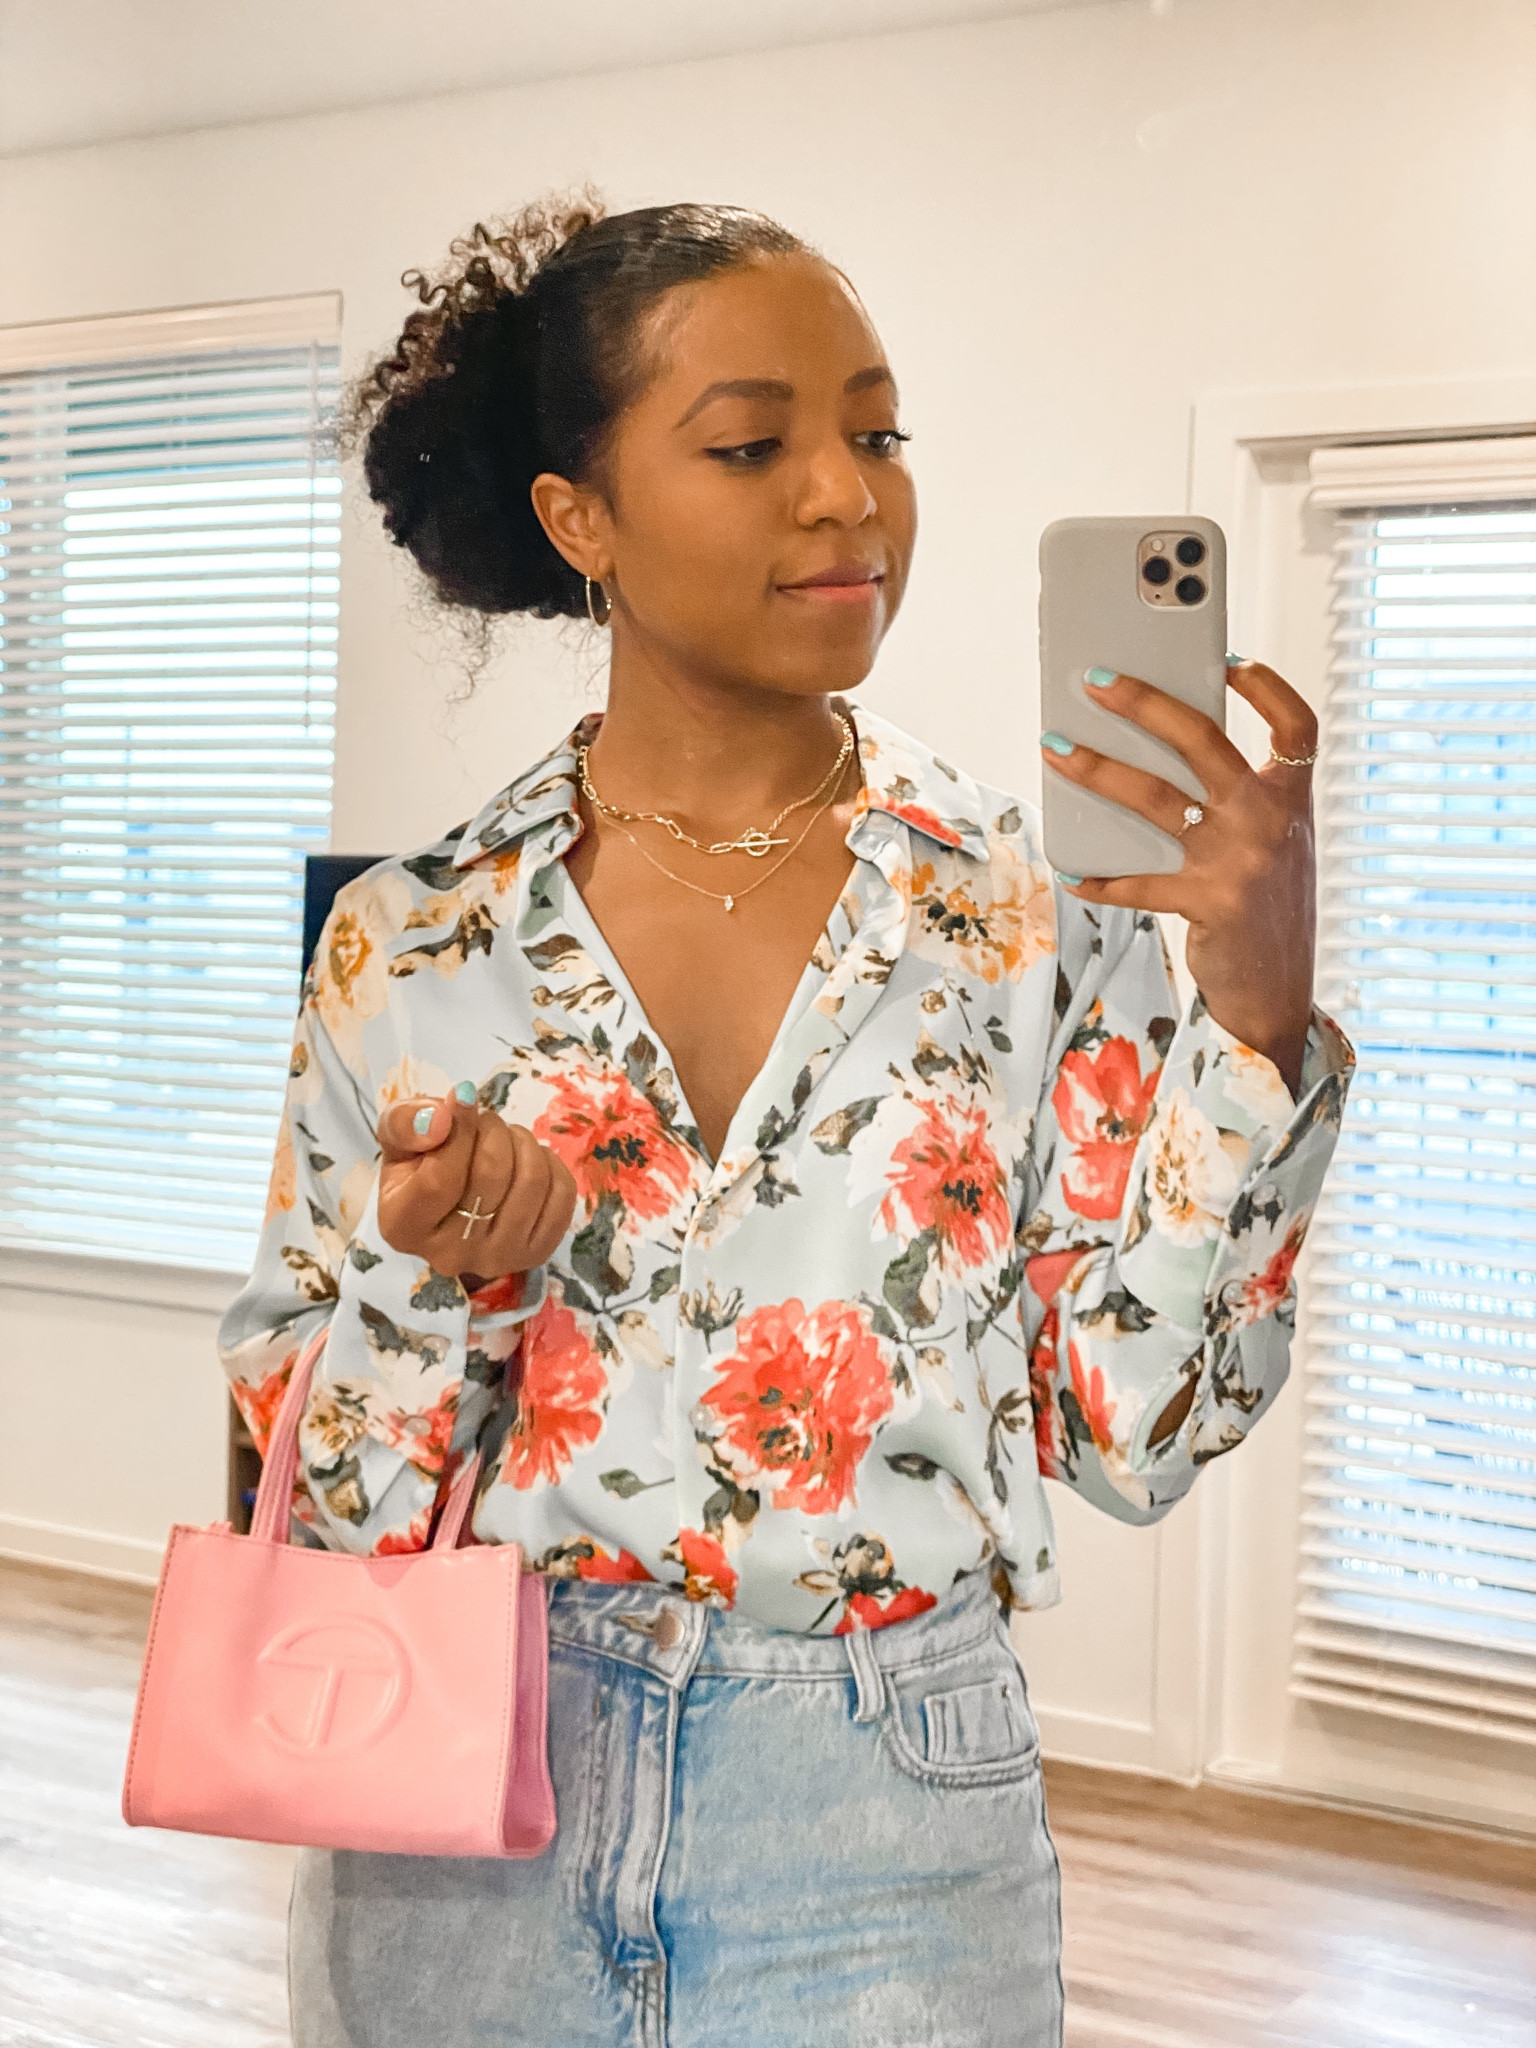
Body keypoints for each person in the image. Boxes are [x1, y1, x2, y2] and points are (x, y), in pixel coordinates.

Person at [218, 196, 1353, 2048]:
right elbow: (316, 1502)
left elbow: (1133, 1432)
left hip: (889, 1801)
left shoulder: (1028, 912)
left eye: (879, 432)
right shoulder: (412, 939)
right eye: (754, 445)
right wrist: (446, 1286)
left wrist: (1254, 1020)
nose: (848, 497)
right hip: (456, 1794)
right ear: (577, 519)